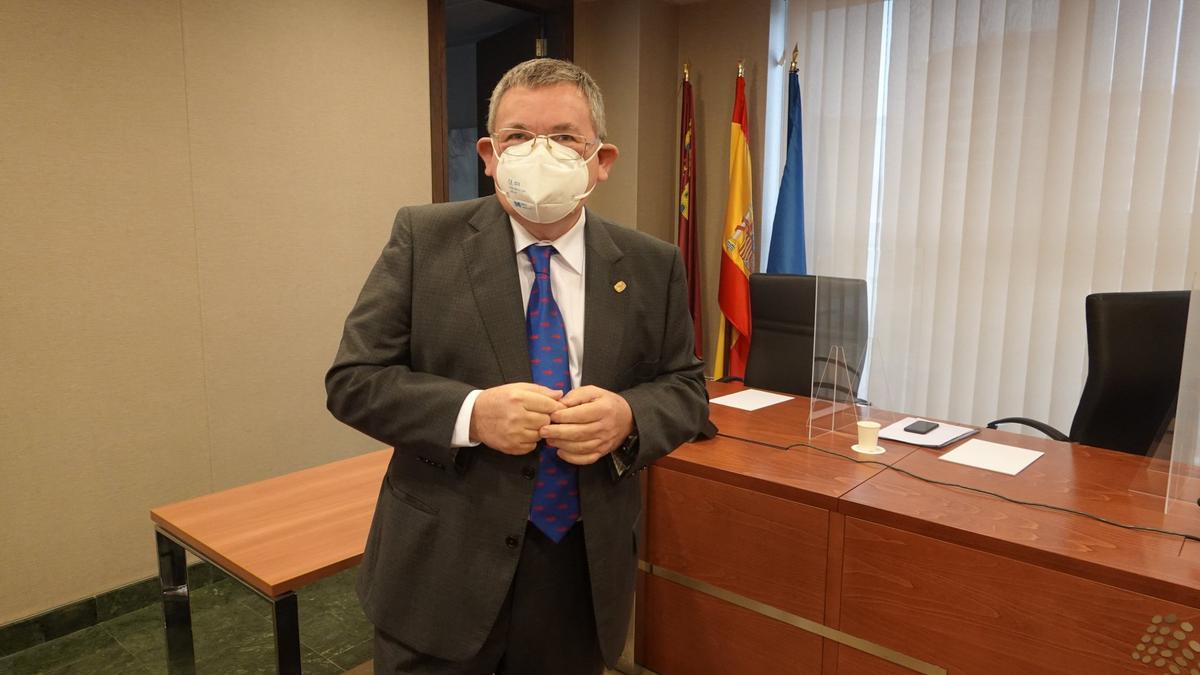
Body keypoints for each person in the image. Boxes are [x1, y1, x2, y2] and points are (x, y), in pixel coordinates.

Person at [325, 58, 708, 675]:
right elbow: (353, 380)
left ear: (601, 160)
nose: (539, 153)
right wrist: (471, 414)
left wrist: (630, 416)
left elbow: (686, 387)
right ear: (488, 154)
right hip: (441, 568)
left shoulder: (650, 264)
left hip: (578, 573)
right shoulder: (424, 239)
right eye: (518, 138)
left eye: (563, 138)